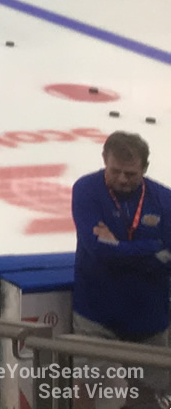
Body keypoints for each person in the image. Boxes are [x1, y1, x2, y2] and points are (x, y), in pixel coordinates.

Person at [71, 132, 171, 403]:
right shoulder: (86, 190)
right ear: (104, 160)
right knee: (95, 397)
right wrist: (152, 248)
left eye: (131, 174)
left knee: (151, 399)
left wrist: (118, 248)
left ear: (145, 169)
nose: (123, 179)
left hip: (150, 322)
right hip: (96, 319)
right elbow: (98, 251)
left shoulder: (164, 199)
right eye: (116, 171)